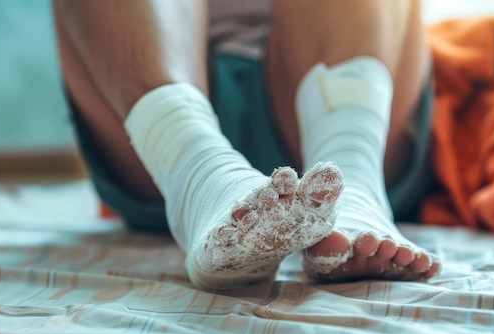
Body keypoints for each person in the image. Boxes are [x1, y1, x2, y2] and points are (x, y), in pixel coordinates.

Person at [53, 0, 440, 291]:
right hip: (156, 93)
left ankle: (351, 178)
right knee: (177, 131)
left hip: (337, 78)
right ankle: (200, 170)